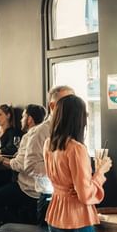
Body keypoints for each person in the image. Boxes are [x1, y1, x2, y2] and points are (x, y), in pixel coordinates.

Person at [44, 94, 112, 232]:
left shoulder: (48, 144)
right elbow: (85, 194)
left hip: (55, 216)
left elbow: (63, 182)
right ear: (78, 118)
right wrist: (100, 172)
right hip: (77, 220)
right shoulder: (76, 148)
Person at [0, 104, 47, 225]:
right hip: (43, 189)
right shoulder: (46, 134)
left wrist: (0, 159)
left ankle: (19, 226)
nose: (21, 120)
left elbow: (20, 164)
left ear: (29, 119)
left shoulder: (30, 136)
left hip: (27, 189)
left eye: (23, 117)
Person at [25, 85, 75, 224]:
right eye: (66, 102)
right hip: (50, 198)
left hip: (72, 199)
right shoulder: (40, 132)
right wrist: (59, 170)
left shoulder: (74, 128)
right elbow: (30, 166)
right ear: (52, 106)